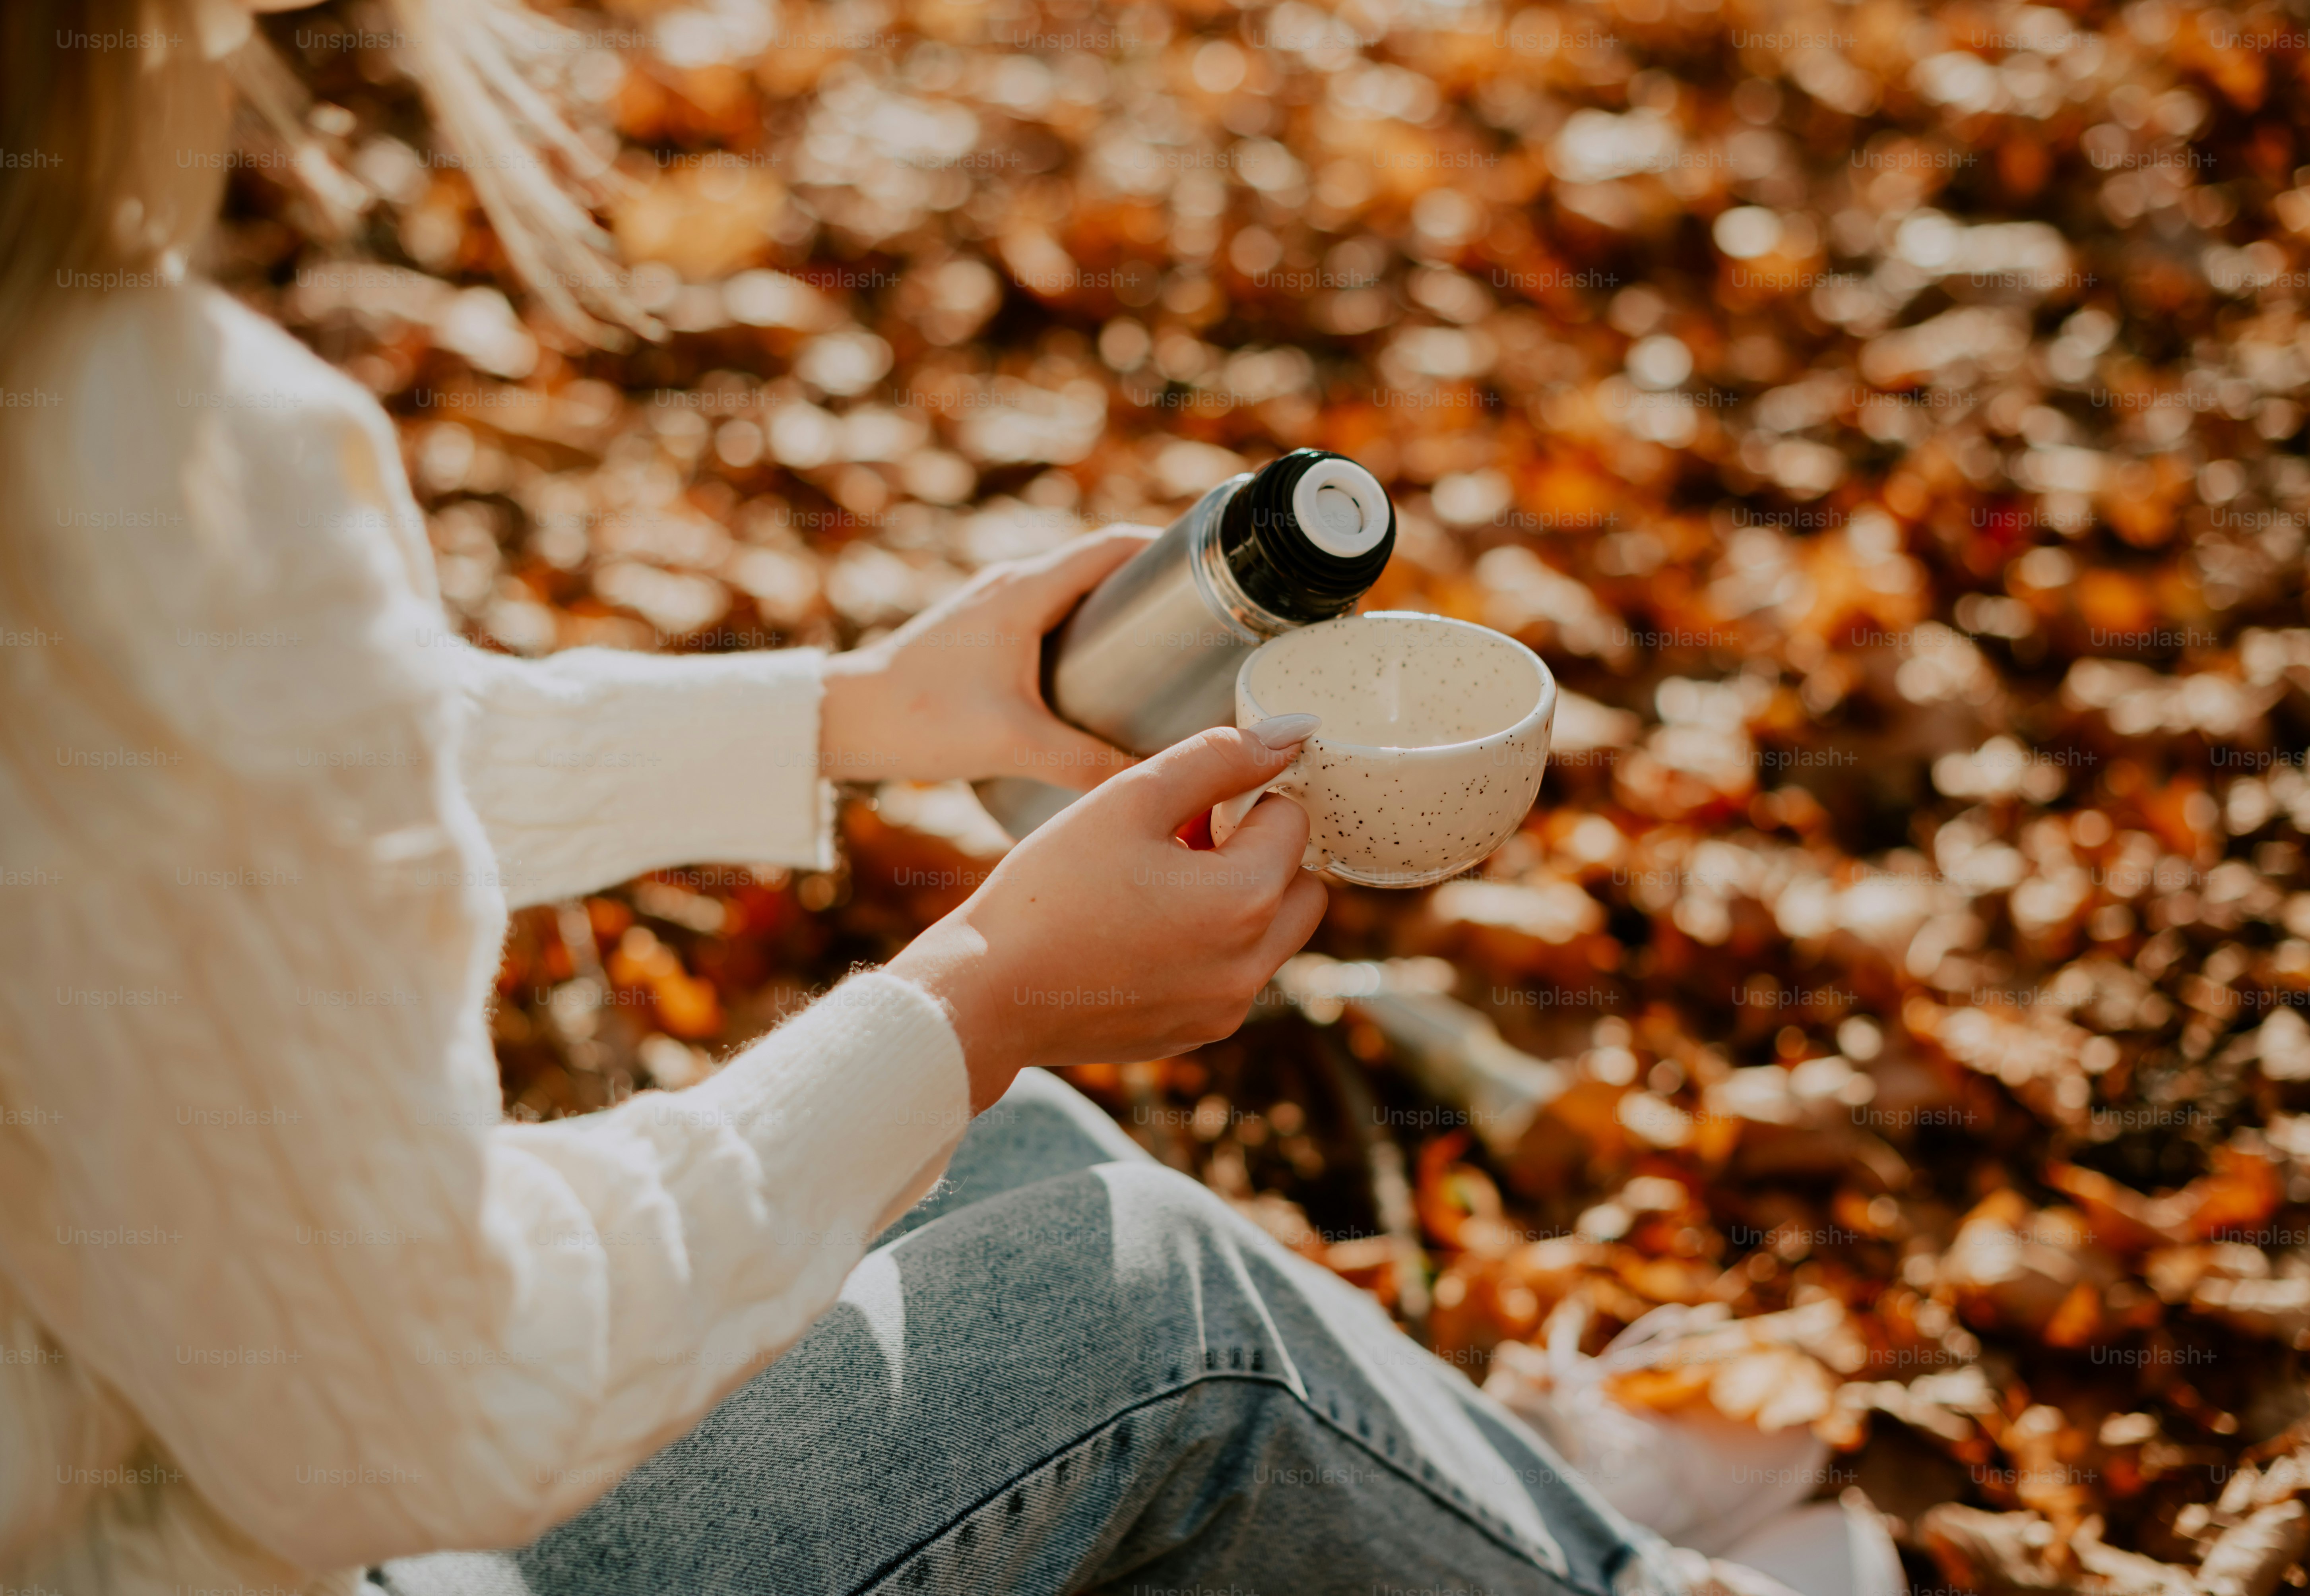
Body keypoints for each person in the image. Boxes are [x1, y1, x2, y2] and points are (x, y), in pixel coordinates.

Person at [0, 5, 1885, 1595]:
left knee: (1015, 1152)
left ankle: (1515, 1523)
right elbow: (416, 1406)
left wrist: (853, 714)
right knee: (1166, 1317)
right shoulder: (140, 447)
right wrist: (983, 985)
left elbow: (222, 800)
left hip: (138, 1436)